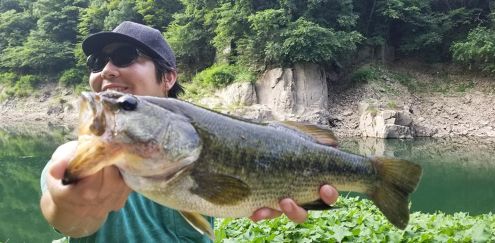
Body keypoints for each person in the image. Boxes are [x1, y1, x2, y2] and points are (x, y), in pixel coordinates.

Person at [40, 21, 339, 242]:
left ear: (168, 76)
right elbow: (73, 219)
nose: (105, 70)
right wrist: (68, 201)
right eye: (96, 62)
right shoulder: (72, 160)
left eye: (125, 56)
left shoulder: (190, 139)